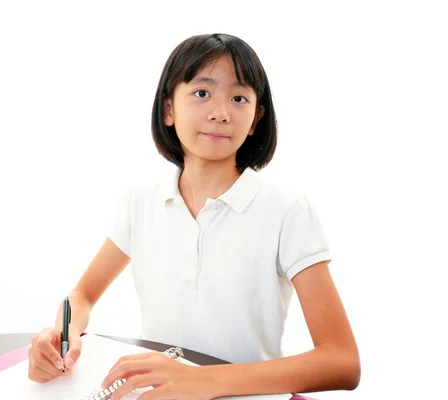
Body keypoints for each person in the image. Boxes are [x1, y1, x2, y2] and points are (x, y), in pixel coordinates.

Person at [27, 33, 361, 399]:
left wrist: (202, 381)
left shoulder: (287, 211)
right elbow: (83, 295)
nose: (220, 112)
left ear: (255, 119)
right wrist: (62, 332)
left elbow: (341, 361)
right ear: (168, 109)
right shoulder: (140, 203)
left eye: (239, 98)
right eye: (202, 93)